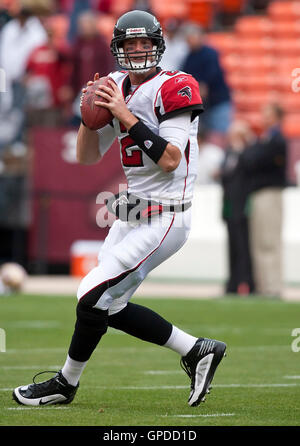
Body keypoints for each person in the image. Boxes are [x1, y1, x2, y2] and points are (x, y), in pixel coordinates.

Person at [13, 10, 226, 408]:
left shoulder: (175, 85)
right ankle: (196, 349)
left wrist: (123, 114)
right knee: (106, 305)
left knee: (91, 293)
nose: (138, 50)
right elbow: (88, 157)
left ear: (157, 45)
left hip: (166, 214)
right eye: (130, 44)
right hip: (131, 210)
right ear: (119, 49)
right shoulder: (113, 85)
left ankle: (66, 382)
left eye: (145, 42)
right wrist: (88, 118)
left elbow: (170, 160)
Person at [240, 103, 287, 298]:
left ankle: (273, 286)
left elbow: (254, 159)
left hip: (270, 193)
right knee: (259, 242)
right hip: (259, 194)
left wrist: (252, 150)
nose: (264, 118)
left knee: (269, 241)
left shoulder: (277, 140)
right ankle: (263, 285)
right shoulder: (266, 139)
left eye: (268, 114)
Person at [219, 120, 256, 295]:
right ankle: (232, 284)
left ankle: (246, 283)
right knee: (233, 247)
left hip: (241, 207)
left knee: (243, 248)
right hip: (229, 206)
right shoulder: (229, 153)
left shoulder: (247, 153)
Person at [181, 22, 233, 136]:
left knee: (220, 135)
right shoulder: (189, 57)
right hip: (201, 105)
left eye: (190, 38)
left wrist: (201, 86)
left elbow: (212, 74)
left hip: (218, 101)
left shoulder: (210, 53)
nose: (188, 41)